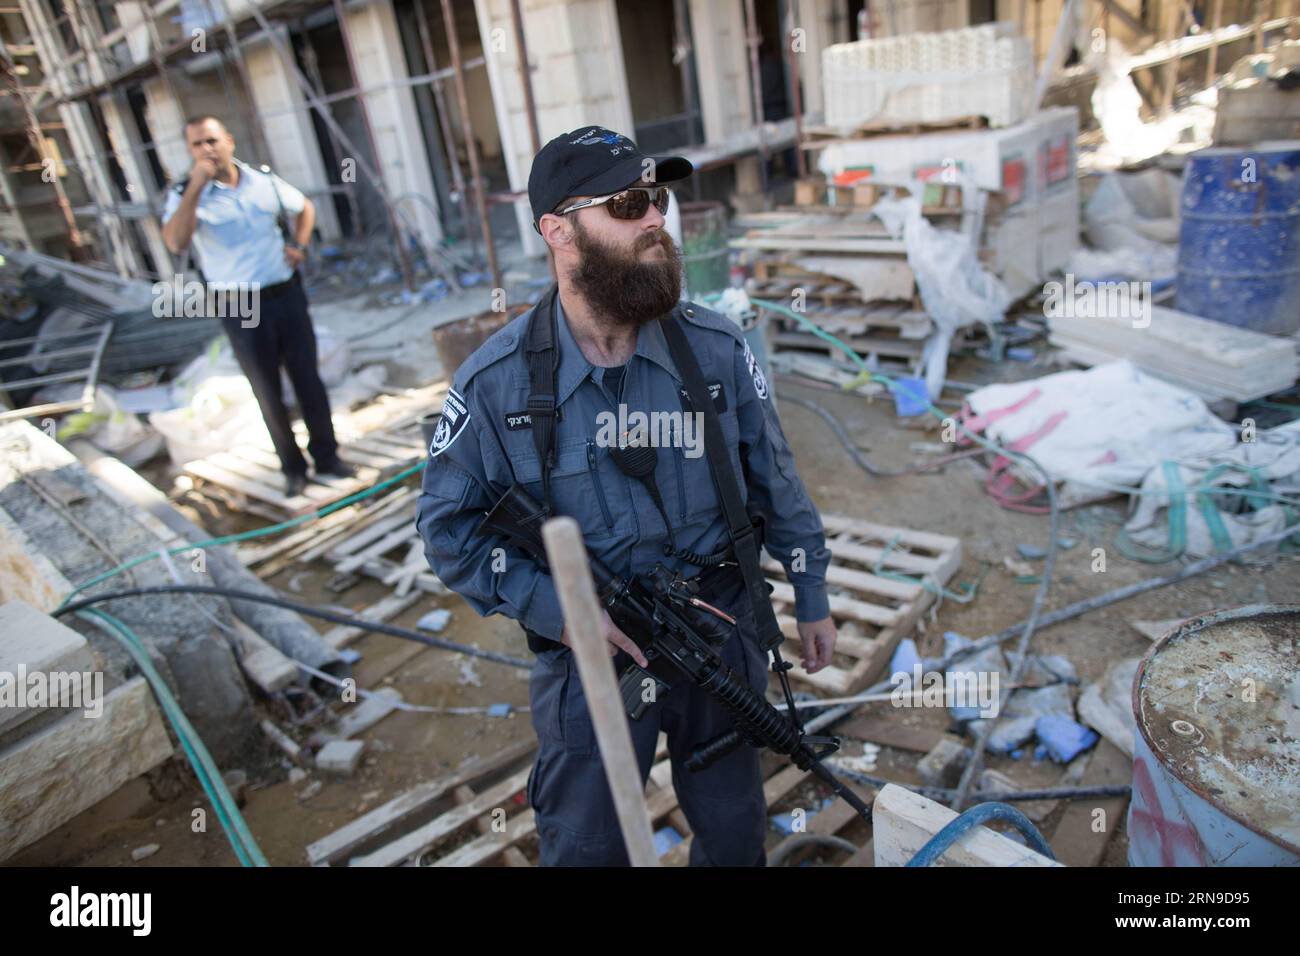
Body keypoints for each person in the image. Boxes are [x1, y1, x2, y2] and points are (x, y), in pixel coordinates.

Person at [416, 126, 835, 866]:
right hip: (593, 657)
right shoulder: (494, 387)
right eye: (629, 203)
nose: (655, 220)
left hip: (718, 628)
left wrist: (809, 588)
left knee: (736, 830)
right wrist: (564, 612)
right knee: (585, 845)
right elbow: (451, 536)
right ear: (559, 232)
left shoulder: (714, 349)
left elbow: (776, 477)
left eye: (659, 199)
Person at [161, 114, 354, 496]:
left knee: (308, 380)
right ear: (190, 151)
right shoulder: (186, 193)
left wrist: (298, 245)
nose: (207, 150)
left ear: (229, 141)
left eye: (212, 140)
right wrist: (195, 189)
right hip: (240, 306)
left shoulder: (262, 181)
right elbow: (176, 242)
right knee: (267, 391)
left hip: (285, 294)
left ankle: (328, 456)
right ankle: (293, 469)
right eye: (198, 144)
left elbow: (304, 207)